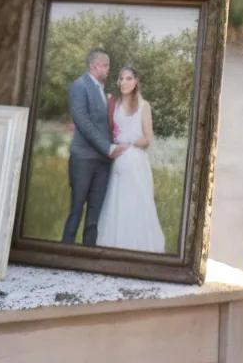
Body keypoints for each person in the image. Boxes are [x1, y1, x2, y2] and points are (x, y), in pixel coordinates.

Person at [96, 64, 166, 252]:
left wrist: (129, 142)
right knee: (117, 204)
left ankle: (137, 249)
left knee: (136, 204)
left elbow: (147, 139)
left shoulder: (143, 106)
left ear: (136, 82)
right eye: (121, 78)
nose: (124, 82)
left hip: (136, 164)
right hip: (118, 163)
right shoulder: (114, 104)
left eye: (129, 78)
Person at [60, 48, 121, 246]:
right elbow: (83, 122)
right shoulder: (80, 86)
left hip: (103, 163)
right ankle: (64, 253)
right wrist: (108, 147)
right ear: (96, 66)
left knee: (94, 217)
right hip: (83, 160)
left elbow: (106, 124)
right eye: (106, 65)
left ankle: (87, 254)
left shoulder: (102, 90)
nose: (108, 70)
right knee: (76, 210)